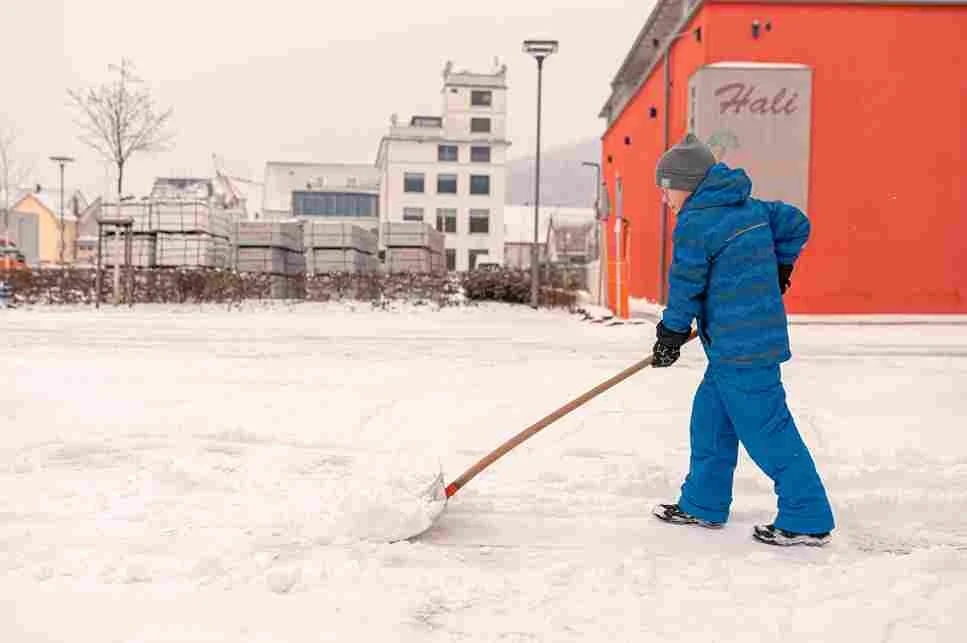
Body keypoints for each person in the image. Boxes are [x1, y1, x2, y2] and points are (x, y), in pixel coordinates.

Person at [648, 133, 835, 547]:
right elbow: (796, 222)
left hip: (742, 348)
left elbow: (685, 285)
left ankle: (807, 515)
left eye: (667, 188)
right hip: (736, 346)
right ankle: (703, 503)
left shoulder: (697, 222)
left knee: (768, 432)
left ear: (689, 183)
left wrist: (671, 333)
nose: (665, 198)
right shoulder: (749, 207)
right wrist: (781, 267)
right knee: (710, 422)